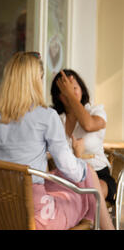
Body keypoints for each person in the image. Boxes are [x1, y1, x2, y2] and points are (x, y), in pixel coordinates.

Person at [0, 51, 114, 230]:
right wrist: (83, 169)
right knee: (87, 176)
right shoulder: (46, 116)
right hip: (39, 217)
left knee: (83, 175)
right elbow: (70, 169)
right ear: (36, 80)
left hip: (0, 211)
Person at [51, 69, 117, 204]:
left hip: (98, 175)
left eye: (75, 87)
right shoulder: (56, 119)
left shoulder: (96, 111)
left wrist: (70, 94)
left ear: (82, 89)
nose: (72, 92)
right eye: (66, 90)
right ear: (59, 96)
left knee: (87, 196)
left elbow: (88, 125)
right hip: (67, 178)